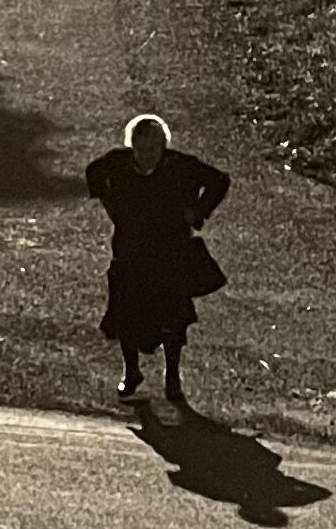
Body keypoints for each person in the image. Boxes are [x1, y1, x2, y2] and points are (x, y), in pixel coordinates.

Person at [85, 114, 231, 405]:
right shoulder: (118, 163)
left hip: (170, 252)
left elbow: (219, 181)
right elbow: (93, 172)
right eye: (140, 148)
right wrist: (109, 203)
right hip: (130, 251)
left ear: (163, 145)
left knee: (172, 319)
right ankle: (131, 372)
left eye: (153, 148)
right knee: (125, 314)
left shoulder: (179, 166)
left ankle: (172, 377)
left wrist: (198, 211)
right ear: (132, 146)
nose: (146, 155)